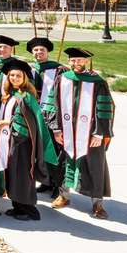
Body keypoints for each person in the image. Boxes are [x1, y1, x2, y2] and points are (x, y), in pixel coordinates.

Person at [42, 47, 114, 218]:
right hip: (66, 132)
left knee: (95, 166)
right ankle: (64, 196)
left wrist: (99, 133)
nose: (76, 63)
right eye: (73, 60)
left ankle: (97, 203)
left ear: (87, 61)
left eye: (80, 60)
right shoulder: (62, 79)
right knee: (64, 164)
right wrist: (56, 128)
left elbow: (105, 108)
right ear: (69, 62)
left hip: (89, 134)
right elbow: (53, 103)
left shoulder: (97, 82)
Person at [0, 58, 58, 221]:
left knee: (22, 175)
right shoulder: (12, 94)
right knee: (13, 173)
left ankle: (28, 209)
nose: (14, 78)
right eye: (11, 76)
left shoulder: (26, 96)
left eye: (18, 76)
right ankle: (17, 206)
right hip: (11, 141)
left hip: (22, 142)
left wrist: (7, 124)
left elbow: (26, 122)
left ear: (25, 78)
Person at [27, 37, 67, 198]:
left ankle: (59, 185)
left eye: (41, 50)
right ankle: (46, 181)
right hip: (35, 115)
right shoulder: (29, 70)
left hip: (52, 117)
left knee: (55, 151)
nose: (38, 52)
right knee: (40, 151)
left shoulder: (59, 70)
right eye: (35, 50)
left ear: (48, 52)